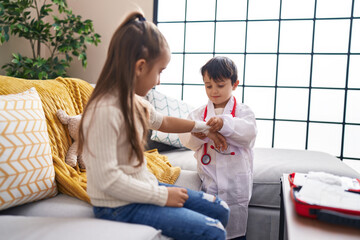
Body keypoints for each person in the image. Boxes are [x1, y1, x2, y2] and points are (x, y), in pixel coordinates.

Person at [77, 12, 230, 240]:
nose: (159, 80)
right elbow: (107, 181)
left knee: (221, 209)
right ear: (140, 67)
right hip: (117, 205)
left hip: (139, 186)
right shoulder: (105, 110)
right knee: (213, 230)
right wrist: (161, 195)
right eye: (159, 72)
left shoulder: (132, 101)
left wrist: (203, 127)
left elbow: (164, 122)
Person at [179, 56, 257, 240]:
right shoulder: (198, 114)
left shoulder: (243, 112)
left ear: (235, 84)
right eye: (208, 86)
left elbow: (248, 134)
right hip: (209, 182)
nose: (214, 91)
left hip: (235, 185)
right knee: (210, 230)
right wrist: (200, 132)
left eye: (220, 85)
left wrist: (223, 124)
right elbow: (185, 139)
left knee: (235, 232)